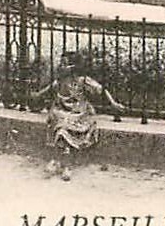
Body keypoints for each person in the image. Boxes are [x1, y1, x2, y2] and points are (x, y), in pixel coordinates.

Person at [33, 50, 124, 181]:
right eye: (61, 63)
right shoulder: (60, 81)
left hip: (79, 112)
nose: (61, 66)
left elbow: (101, 90)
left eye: (64, 64)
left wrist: (113, 103)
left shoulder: (83, 80)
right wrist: (36, 96)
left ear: (73, 67)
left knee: (63, 127)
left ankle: (62, 163)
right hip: (60, 110)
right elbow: (47, 90)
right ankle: (63, 162)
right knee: (59, 122)